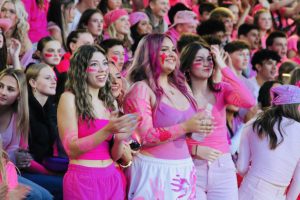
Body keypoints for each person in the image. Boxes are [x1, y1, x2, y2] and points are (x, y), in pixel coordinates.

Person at [123, 33, 213, 199]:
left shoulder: (182, 86)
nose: (172, 54)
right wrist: (186, 127)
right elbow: (145, 137)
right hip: (154, 170)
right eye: (164, 49)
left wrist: (200, 126)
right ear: (149, 54)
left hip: (184, 168)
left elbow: (189, 129)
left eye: (173, 49)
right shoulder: (140, 89)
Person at [57, 44, 139, 199]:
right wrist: (107, 130)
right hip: (83, 180)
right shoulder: (69, 99)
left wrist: (120, 140)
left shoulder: (110, 103)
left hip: (111, 177)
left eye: (104, 63)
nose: (102, 69)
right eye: (94, 64)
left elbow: (114, 156)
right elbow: (71, 149)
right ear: (81, 69)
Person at [180, 42, 255, 199]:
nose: (207, 63)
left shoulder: (222, 90)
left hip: (222, 166)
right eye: (200, 59)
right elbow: (171, 131)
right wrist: (193, 149)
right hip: (190, 165)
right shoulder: (178, 95)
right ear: (187, 66)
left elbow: (249, 101)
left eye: (210, 59)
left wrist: (223, 67)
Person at [237, 84, 300, 200]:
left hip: (251, 189)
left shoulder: (254, 124)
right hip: (279, 194)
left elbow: (241, 168)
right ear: (297, 107)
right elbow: (298, 180)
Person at [0, 68, 53, 200]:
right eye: (0, 86)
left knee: (46, 196)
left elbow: (12, 152)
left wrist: (20, 159)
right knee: (35, 195)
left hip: (6, 170)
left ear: (19, 95)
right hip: (3, 170)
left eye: (10, 89)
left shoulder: (17, 117)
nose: (2, 92)